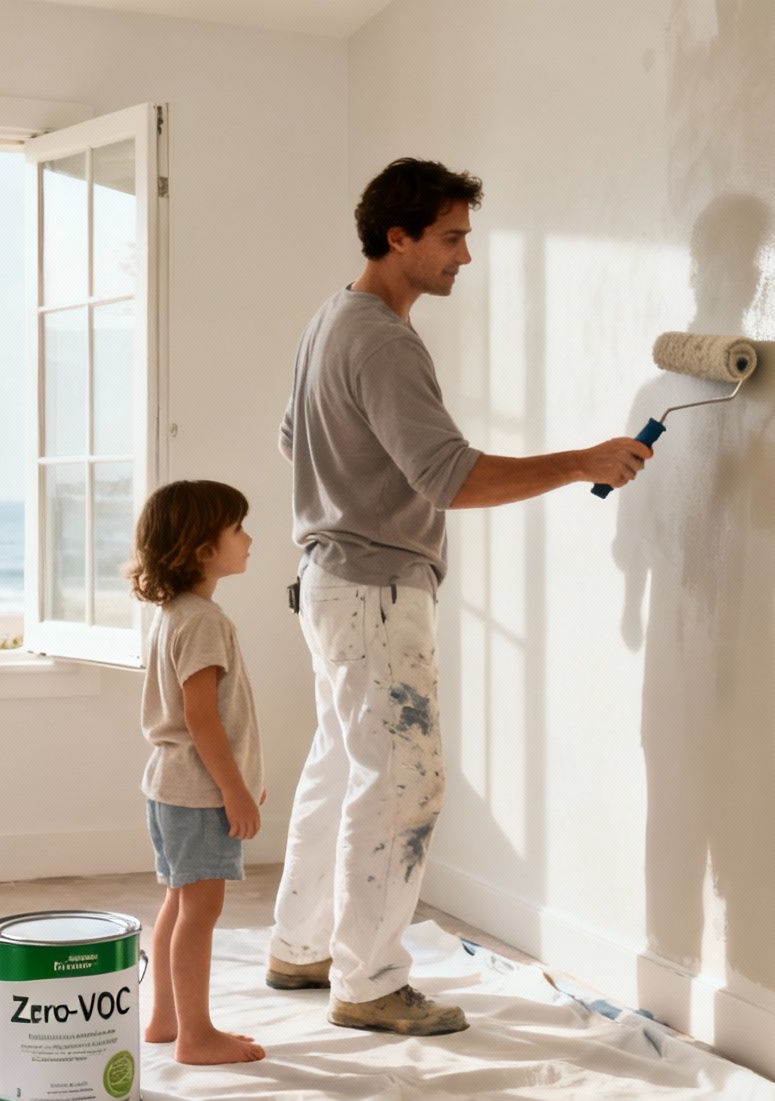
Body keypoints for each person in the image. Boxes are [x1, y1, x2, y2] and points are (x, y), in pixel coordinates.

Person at [267, 157, 654, 1035]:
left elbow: (291, 434)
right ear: (397, 238)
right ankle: (367, 983)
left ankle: (301, 944)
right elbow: (448, 477)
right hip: (371, 589)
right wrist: (582, 463)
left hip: (330, 583)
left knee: (342, 765)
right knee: (407, 781)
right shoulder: (383, 340)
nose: (464, 258)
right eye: (450, 239)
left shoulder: (332, 319)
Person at [129, 479, 268, 1065]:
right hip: (197, 794)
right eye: (236, 529)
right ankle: (196, 1034)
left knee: (177, 904)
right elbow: (201, 716)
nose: (248, 538)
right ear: (201, 548)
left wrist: (239, 780)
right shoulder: (204, 621)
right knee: (200, 914)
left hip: (169, 787)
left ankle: (164, 1020)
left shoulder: (174, 614)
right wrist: (234, 791)